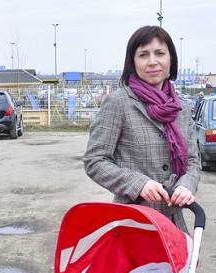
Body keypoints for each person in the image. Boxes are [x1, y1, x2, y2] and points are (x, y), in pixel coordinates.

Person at [83, 25, 200, 233]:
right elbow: (95, 161)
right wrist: (138, 184)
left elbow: (192, 160)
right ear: (133, 62)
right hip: (132, 224)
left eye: (160, 53)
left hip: (174, 226)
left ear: (170, 59)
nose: (152, 61)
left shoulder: (181, 108)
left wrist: (186, 185)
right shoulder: (118, 103)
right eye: (143, 55)